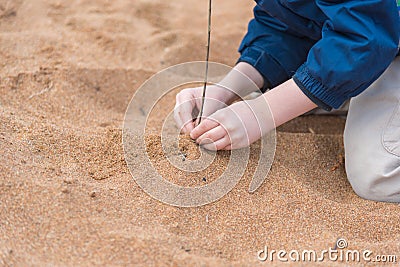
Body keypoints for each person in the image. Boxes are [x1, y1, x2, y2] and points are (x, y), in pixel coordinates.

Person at [174, 0, 400, 202]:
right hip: (372, 34)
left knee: (377, 176)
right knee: (282, 94)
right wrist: (227, 88)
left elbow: (367, 36)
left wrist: (262, 113)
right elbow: (288, 22)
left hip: (381, 37)